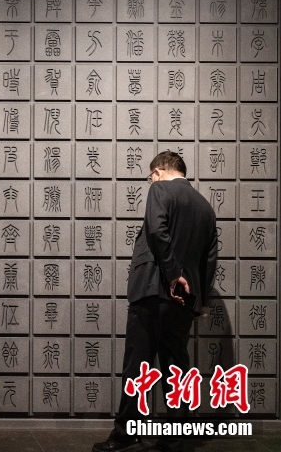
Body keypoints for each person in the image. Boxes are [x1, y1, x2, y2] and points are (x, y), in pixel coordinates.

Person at [93, 151, 218, 452]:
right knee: (177, 366)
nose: (150, 181)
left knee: (137, 365)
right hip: (186, 299)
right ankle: (177, 435)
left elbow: (156, 229)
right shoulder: (205, 207)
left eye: (150, 176)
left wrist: (173, 274)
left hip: (153, 289)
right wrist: (201, 300)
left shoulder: (160, 189)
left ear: (159, 171)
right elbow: (210, 257)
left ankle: (125, 436)